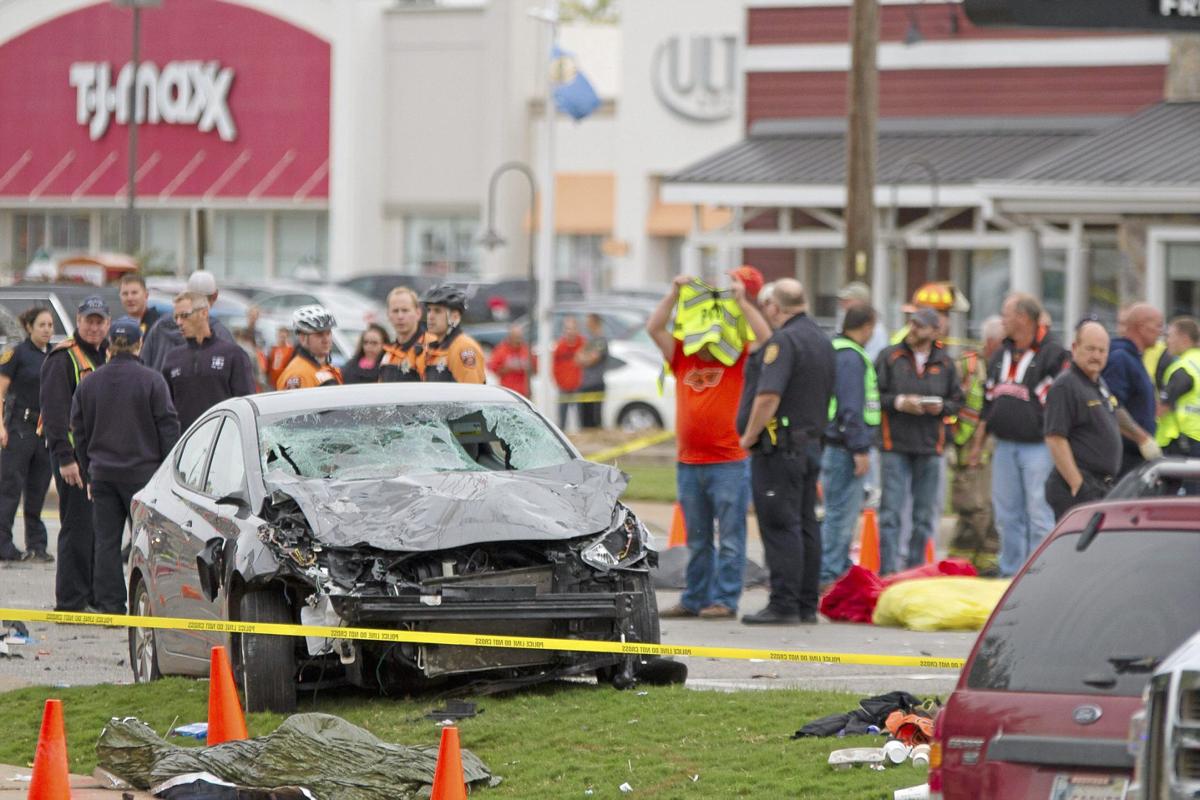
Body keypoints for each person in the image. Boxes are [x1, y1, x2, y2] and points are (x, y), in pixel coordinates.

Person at [647, 268, 770, 620]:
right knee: (697, 539)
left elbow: (765, 337)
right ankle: (695, 597)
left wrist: (742, 304)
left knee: (731, 538)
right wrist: (672, 294)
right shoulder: (683, 355)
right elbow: (654, 328)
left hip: (729, 461)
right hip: (690, 463)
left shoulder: (737, 358)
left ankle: (725, 600)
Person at [737, 278, 835, 625]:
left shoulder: (785, 341)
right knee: (807, 524)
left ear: (776, 308)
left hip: (781, 450)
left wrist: (749, 436)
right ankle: (806, 603)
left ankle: (784, 603)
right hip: (810, 446)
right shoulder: (822, 340)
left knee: (781, 526)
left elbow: (768, 397)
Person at [71, 317, 179, 614]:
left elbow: (78, 431)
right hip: (144, 476)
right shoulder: (152, 380)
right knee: (148, 543)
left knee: (106, 542)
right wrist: (169, 474)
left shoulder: (90, 382)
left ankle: (110, 605)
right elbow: (168, 427)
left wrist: (87, 468)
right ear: (138, 344)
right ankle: (151, 605)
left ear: (109, 346)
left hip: (103, 473)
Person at [968, 292, 1069, 577]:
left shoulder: (1053, 354)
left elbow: (1059, 404)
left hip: (1038, 447)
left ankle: (1040, 575)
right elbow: (988, 404)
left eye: (1006, 314)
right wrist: (978, 445)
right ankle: (1010, 572)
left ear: (1023, 318)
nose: (1002, 320)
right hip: (1004, 446)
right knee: (1007, 514)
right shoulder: (1001, 353)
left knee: (1038, 513)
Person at [874, 307, 962, 574]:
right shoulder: (890, 357)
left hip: (930, 446)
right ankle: (888, 572)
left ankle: (914, 572)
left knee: (923, 517)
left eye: (921, 326)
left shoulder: (946, 363)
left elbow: (957, 403)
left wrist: (941, 407)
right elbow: (873, 396)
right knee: (891, 513)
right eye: (912, 324)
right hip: (894, 445)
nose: (914, 330)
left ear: (936, 331)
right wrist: (901, 402)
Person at [1044, 320, 1158, 520]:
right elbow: (1055, 438)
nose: (1096, 356)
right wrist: (1076, 484)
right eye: (1090, 349)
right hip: (1077, 487)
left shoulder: (1098, 383)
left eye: (1101, 350)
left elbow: (1115, 412)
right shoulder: (1066, 385)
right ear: (1074, 347)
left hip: (1100, 486)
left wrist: (1143, 438)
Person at [39, 296, 109, 612]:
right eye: (89, 321)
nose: (94, 327)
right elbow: (54, 413)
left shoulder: (105, 356)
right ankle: (70, 601)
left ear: (107, 324)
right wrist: (65, 458)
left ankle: (90, 596)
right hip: (72, 458)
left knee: (94, 530)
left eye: (99, 321)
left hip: (96, 457)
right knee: (77, 529)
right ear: (78, 321)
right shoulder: (63, 358)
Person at [820, 302, 879, 587]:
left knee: (836, 512)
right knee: (842, 514)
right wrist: (860, 448)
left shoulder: (836, 349)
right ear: (867, 325)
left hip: (836, 443)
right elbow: (851, 407)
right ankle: (831, 574)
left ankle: (832, 568)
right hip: (845, 446)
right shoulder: (851, 357)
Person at [948, 315, 1004, 573]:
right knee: (972, 504)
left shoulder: (1002, 365)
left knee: (984, 505)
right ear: (991, 342)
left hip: (990, 445)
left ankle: (981, 559)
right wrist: (952, 440)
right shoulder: (968, 366)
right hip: (966, 444)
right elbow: (952, 403)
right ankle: (967, 560)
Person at [0, 307, 55, 562]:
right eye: (42, 325)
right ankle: (3, 543)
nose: (47, 329)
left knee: (38, 489)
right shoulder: (17, 354)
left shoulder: (54, 355)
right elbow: (1, 391)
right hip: (19, 428)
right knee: (10, 487)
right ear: (29, 327)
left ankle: (37, 544)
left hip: (44, 429)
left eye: (50, 325)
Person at [161, 292, 256, 431]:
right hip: (186, 445)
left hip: (224, 442)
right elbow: (166, 410)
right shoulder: (173, 358)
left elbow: (246, 405)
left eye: (184, 315)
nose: (179, 322)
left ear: (204, 313)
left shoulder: (233, 355)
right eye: (176, 317)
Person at [140, 270, 234, 371]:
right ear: (215, 296)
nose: (180, 322)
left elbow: (142, 367)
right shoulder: (220, 334)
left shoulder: (160, 327)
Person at [1103, 306, 1158, 476]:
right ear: (1141, 327)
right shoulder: (1121, 358)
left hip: (1135, 457)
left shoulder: (1134, 359)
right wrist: (1143, 439)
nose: (1161, 332)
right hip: (1124, 460)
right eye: (1157, 326)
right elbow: (1111, 405)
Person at [420, 284, 486, 383]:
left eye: (437, 311)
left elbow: (472, 393)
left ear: (454, 317)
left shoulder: (464, 347)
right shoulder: (433, 347)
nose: (430, 316)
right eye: (429, 310)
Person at [1158, 316, 1200, 457]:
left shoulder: (1183, 368)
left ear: (1184, 338)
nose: (1167, 341)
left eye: (1170, 336)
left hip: (1183, 443)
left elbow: (1163, 407)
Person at [277, 305, 343, 390]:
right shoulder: (297, 375)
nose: (326, 339)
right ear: (303, 337)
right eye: (319, 334)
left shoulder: (325, 367)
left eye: (328, 333)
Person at [379, 286, 432, 383]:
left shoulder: (431, 348)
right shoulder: (388, 353)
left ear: (418, 313)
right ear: (388, 315)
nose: (400, 316)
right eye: (395, 311)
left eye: (405, 310)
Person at [836, 281, 888, 359]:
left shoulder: (875, 329)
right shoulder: (843, 320)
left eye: (848, 301)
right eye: (843, 301)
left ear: (861, 302)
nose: (843, 305)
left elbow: (875, 359)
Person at [553, 316, 587, 427]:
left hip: (579, 386)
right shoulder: (560, 346)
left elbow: (588, 362)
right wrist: (558, 381)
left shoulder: (583, 344)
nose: (570, 331)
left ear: (577, 329)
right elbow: (554, 366)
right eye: (568, 329)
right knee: (562, 419)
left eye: (572, 328)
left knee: (582, 417)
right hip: (564, 386)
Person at [577, 313, 608, 428]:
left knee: (594, 420)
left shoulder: (600, 340)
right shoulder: (589, 341)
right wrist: (586, 357)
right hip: (585, 384)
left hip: (595, 384)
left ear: (594, 323)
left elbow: (592, 360)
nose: (586, 325)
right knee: (584, 420)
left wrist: (585, 357)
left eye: (588, 322)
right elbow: (577, 358)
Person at [488, 323, 534, 396]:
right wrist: (508, 368)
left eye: (520, 337)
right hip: (508, 392)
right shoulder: (501, 350)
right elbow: (493, 369)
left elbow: (535, 369)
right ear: (510, 338)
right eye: (516, 338)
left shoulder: (526, 350)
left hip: (524, 392)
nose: (518, 341)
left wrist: (526, 367)